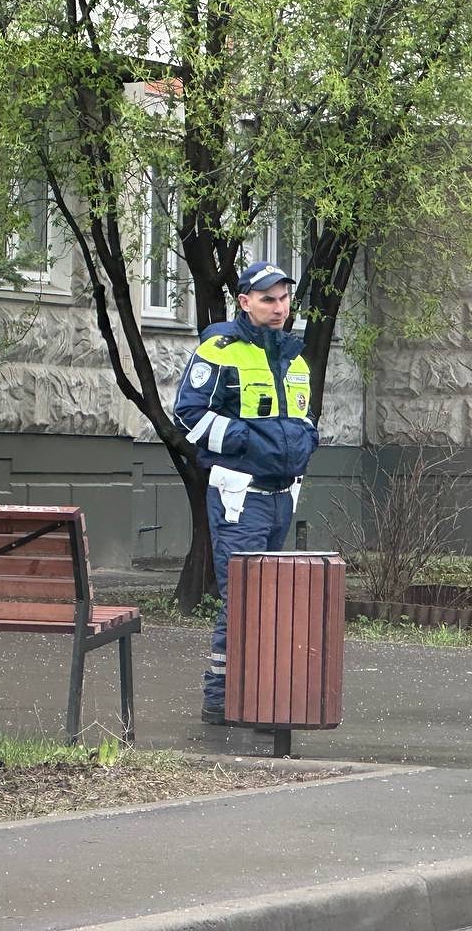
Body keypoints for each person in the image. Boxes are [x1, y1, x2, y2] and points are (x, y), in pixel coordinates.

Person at [173, 261, 319, 725]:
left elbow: (300, 419)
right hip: (239, 495)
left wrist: (304, 441)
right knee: (244, 597)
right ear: (244, 302)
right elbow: (189, 416)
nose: (279, 308)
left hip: (282, 495)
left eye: (284, 299)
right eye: (268, 299)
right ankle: (222, 699)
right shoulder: (220, 352)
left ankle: (256, 695)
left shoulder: (294, 358)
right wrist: (249, 443)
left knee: (268, 598)